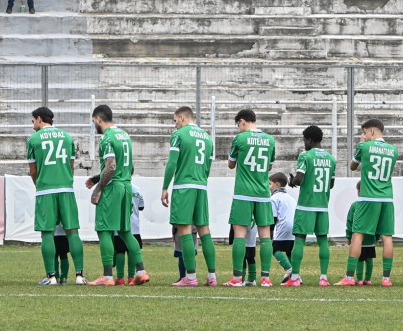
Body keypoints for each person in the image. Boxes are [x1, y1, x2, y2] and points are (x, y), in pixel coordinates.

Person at [86, 105, 149, 286]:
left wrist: (98, 188)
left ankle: (106, 276)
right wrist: (98, 177)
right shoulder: (124, 135)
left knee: (103, 228)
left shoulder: (107, 138)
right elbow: (124, 166)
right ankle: (141, 271)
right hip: (126, 186)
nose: (94, 126)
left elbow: (111, 166)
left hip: (113, 188)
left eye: (93, 122)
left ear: (99, 119)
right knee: (125, 230)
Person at [27, 106, 85, 286]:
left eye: (33, 120)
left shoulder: (33, 140)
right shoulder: (67, 137)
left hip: (46, 190)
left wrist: (40, 184)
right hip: (66, 189)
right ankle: (80, 276)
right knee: (72, 231)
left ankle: (51, 276)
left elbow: (33, 170)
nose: (32, 124)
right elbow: (71, 166)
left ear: (38, 119)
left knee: (47, 233)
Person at [336, 119, 397, 287]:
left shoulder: (364, 147)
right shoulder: (393, 150)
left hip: (368, 197)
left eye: (364, 132)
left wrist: (360, 145)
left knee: (358, 234)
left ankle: (349, 277)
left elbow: (352, 167)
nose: (363, 136)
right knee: (387, 237)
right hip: (386, 197)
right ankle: (386, 278)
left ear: (371, 131)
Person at [161, 106, 217, 287]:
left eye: (175, 119)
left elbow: (172, 163)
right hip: (201, 186)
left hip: (184, 186)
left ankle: (190, 277)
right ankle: (212, 276)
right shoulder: (208, 138)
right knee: (204, 230)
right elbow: (208, 167)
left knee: (184, 230)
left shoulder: (179, 135)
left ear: (182, 118)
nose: (174, 123)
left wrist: (164, 187)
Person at [224, 109, 277, 287]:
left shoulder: (240, 138)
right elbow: (269, 167)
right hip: (263, 193)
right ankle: (266, 278)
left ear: (242, 121)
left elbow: (231, 164)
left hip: (243, 192)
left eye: (238, 125)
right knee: (265, 235)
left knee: (240, 234)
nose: (238, 128)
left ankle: (237, 277)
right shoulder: (270, 140)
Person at [285, 125, 336, 287]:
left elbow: (299, 179)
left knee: (299, 239)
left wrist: (292, 182)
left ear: (309, 139)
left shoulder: (305, 156)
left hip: (306, 205)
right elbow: (331, 184)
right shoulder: (331, 158)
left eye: (304, 140)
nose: (304, 143)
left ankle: (295, 278)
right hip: (322, 205)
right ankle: (323, 278)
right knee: (323, 241)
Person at [113, 180, 145, 285]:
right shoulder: (137, 189)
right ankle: (131, 277)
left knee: (120, 251)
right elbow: (141, 207)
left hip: (120, 224)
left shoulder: (115, 188)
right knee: (132, 251)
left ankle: (120, 278)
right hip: (134, 225)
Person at [346, 181, 377, 286]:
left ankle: (359, 279)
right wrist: (376, 236)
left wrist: (349, 235)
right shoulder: (374, 206)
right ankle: (368, 279)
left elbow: (350, 221)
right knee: (369, 259)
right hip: (370, 238)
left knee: (359, 259)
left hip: (358, 240)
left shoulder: (355, 205)